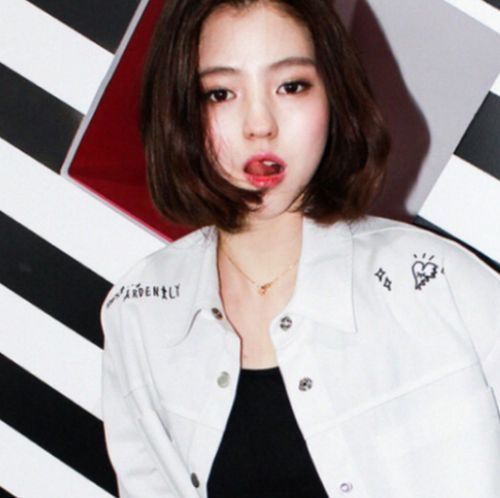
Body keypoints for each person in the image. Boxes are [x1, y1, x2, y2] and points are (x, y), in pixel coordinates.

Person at [100, 1, 500, 497]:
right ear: (181, 112)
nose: (259, 124)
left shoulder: (439, 285)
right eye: (221, 93)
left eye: (291, 86)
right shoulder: (139, 312)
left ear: (334, 94)